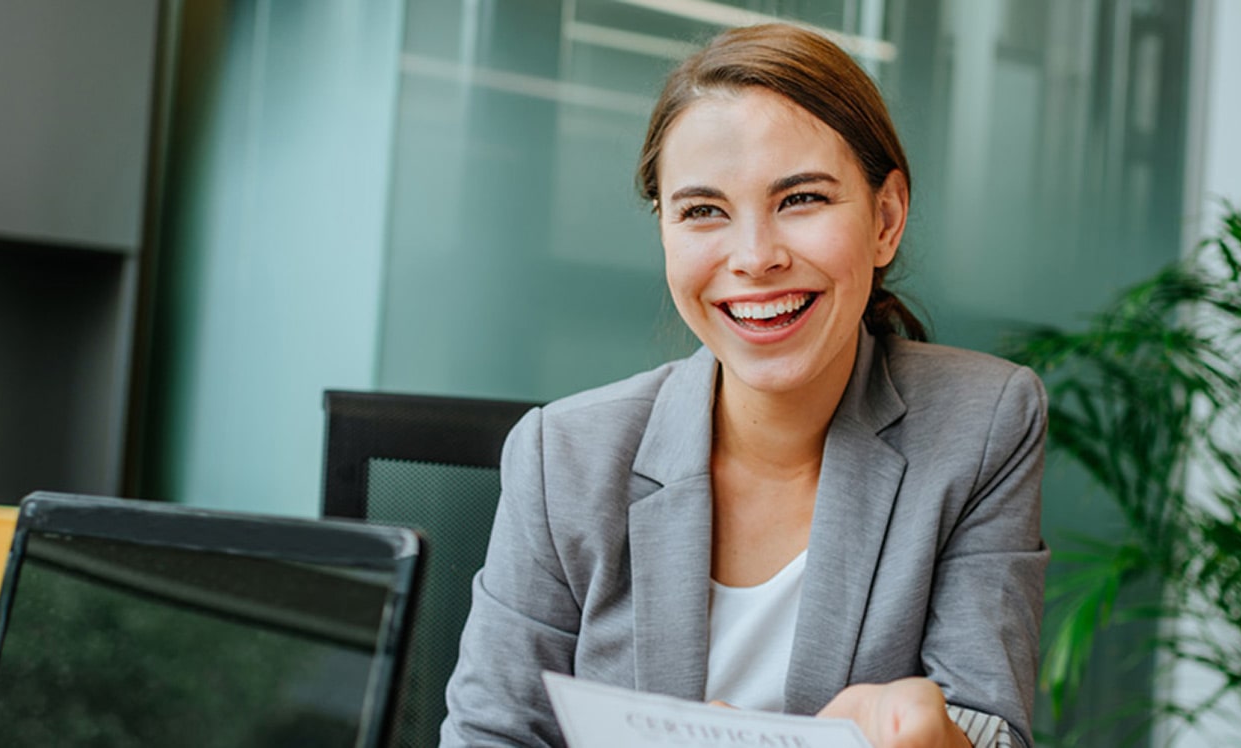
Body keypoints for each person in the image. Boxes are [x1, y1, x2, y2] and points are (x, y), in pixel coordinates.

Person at [440, 22, 1047, 748]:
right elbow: (490, 736)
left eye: (801, 200)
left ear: (885, 219)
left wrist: (932, 739)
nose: (755, 257)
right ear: (663, 230)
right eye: (703, 212)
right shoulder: (561, 457)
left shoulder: (983, 423)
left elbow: (989, 725)